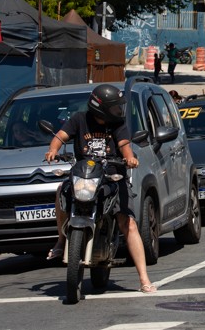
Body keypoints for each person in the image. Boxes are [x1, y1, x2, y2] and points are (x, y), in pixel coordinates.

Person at [43, 84, 156, 294]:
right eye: (114, 107)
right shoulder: (79, 119)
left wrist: (129, 158)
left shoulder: (118, 124)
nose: (118, 111)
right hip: (84, 176)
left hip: (112, 178)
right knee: (61, 190)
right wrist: (53, 150)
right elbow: (60, 136)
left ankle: (144, 278)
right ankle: (61, 240)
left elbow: (124, 144)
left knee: (128, 223)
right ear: (100, 107)